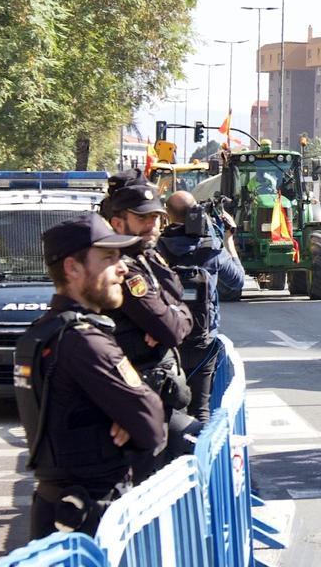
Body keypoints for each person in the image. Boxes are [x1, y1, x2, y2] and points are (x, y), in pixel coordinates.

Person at [15, 214, 166, 539]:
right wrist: (129, 416)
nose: (122, 268)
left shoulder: (41, 332)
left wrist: (126, 414)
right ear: (72, 268)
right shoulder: (84, 341)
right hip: (91, 520)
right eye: (109, 258)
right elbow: (152, 423)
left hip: (59, 510)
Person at [102, 177, 198, 476]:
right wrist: (173, 316)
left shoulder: (147, 256)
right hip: (140, 396)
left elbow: (181, 302)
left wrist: (175, 314)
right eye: (142, 218)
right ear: (118, 223)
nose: (152, 225)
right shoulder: (125, 268)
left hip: (160, 394)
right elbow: (170, 329)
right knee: (149, 479)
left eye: (156, 217)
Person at [157, 191, 246, 422]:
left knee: (169, 409)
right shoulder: (211, 248)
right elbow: (238, 281)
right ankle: (199, 443)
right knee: (200, 409)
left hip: (168, 341)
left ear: (167, 215)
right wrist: (228, 241)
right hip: (203, 340)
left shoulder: (157, 251)